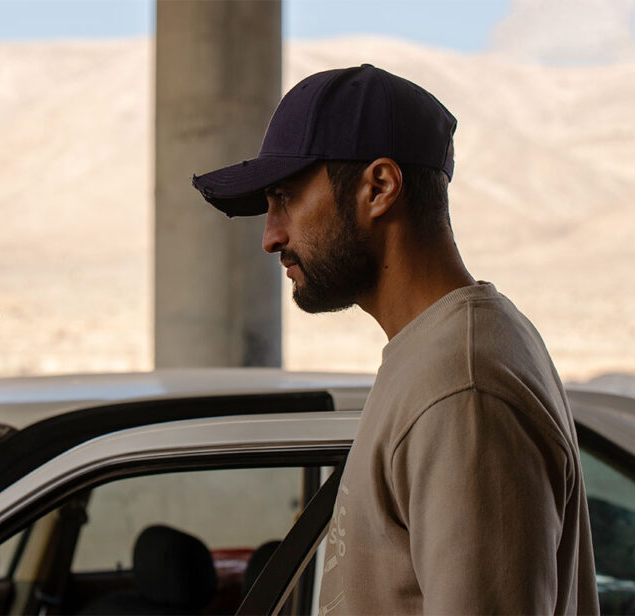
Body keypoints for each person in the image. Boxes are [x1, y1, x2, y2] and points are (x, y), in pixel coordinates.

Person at [192, 64, 599, 614]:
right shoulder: (443, 352)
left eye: (286, 197)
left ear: (379, 188)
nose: (270, 237)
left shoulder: (462, 387)